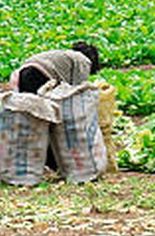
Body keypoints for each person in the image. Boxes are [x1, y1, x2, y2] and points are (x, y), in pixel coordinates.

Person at [10, 41, 101, 171]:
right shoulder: (83, 61)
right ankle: (54, 161)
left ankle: (34, 159)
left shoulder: (65, 57)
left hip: (24, 75)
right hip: (38, 76)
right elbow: (78, 91)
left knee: (34, 121)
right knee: (49, 120)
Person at [12, 41, 100, 94]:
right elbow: (80, 87)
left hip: (22, 73)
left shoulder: (64, 55)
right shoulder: (83, 60)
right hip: (39, 74)